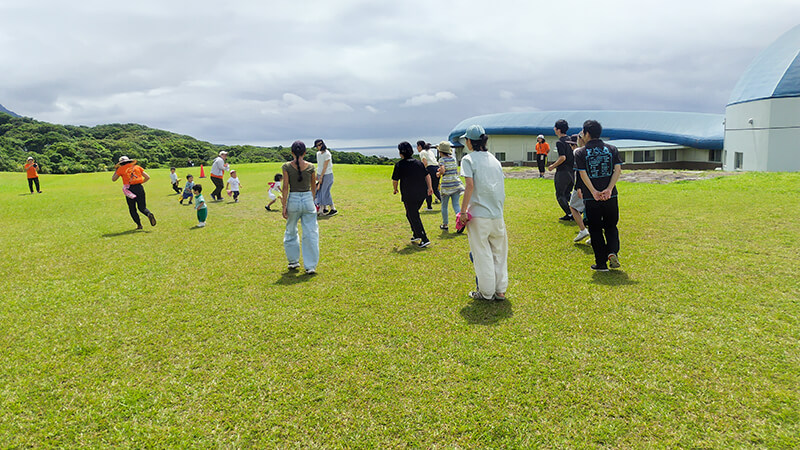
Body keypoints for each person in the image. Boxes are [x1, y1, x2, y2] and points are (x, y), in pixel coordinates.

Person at [457, 124, 508, 301]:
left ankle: (486, 292)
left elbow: (469, 186)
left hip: (479, 214)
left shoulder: (468, 159)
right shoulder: (494, 160)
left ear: (470, 141)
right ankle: (500, 290)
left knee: (482, 254)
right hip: (497, 213)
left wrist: (463, 211)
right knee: (499, 253)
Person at [574, 119, 623, 271]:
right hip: (611, 196)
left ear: (586, 133)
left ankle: (601, 263)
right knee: (611, 226)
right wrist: (609, 189)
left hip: (591, 197)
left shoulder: (580, 152)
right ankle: (612, 252)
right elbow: (617, 171)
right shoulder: (612, 149)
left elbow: (583, 174)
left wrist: (594, 191)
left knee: (595, 229)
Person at [281, 141, 319, 274]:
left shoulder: (286, 166)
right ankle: (310, 266)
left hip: (293, 200)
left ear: (291, 152)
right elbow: (313, 186)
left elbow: (285, 187)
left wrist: (284, 205)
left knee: (291, 231)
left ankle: (293, 261)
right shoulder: (311, 166)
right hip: (308, 199)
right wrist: (313, 200)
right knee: (311, 233)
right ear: (305, 153)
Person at [392, 141, 434, 248]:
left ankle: (424, 238)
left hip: (408, 194)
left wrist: (395, 189)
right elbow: (427, 175)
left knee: (413, 215)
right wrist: (429, 187)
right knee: (410, 213)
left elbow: (395, 179)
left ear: (400, 153)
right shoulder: (418, 163)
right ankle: (416, 234)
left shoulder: (399, 165)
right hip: (421, 193)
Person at [112, 156, 156, 229]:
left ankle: (139, 225)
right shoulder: (137, 167)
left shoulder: (120, 169)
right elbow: (147, 177)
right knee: (142, 207)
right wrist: (140, 183)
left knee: (132, 208)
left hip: (129, 189)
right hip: (139, 188)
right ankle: (148, 214)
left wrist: (116, 170)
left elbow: (113, 179)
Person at [548, 119, 575, 221]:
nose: (554, 129)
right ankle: (577, 210)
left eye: (555, 127)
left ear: (558, 130)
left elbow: (562, 157)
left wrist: (552, 166)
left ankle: (570, 214)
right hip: (572, 172)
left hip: (563, 172)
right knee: (568, 194)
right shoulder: (570, 140)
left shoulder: (560, 142)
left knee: (560, 195)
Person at [436, 141, 464, 231]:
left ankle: (445, 224)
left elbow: (443, 170)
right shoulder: (453, 158)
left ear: (440, 152)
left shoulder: (441, 160)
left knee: (444, 206)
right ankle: (461, 222)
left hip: (447, 185)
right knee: (456, 204)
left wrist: (439, 173)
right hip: (456, 183)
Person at [568, 134, 590, 243]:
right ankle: (595, 234)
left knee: (573, 206)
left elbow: (580, 172)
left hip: (583, 185)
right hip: (596, 185)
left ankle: (583, 229)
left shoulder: (578, 152)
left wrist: (579, 187)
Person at [314, 139, 337, 216]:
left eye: (319, 145)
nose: (318, 147)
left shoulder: (327, 154)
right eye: (317, 146)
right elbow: (319, 165)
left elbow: (325, 166)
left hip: (327, 174)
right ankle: (324, 209)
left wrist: (321, 177)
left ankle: (333, 209)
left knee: (325, 192)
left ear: (322, 144)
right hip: (320, 174)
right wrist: (318, 175)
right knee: (320, 192)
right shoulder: (318, 154)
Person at [417, 140, 440, 209]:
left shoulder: (422, 152)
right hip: (436, 168)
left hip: (430, 169)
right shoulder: (429, 151)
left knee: (428, 188)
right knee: (435, 188)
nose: (417, 148)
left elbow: (425, 163)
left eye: (417, 146)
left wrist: (421, 172)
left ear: (420, 146)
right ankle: (444, 202)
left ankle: (429, 206)